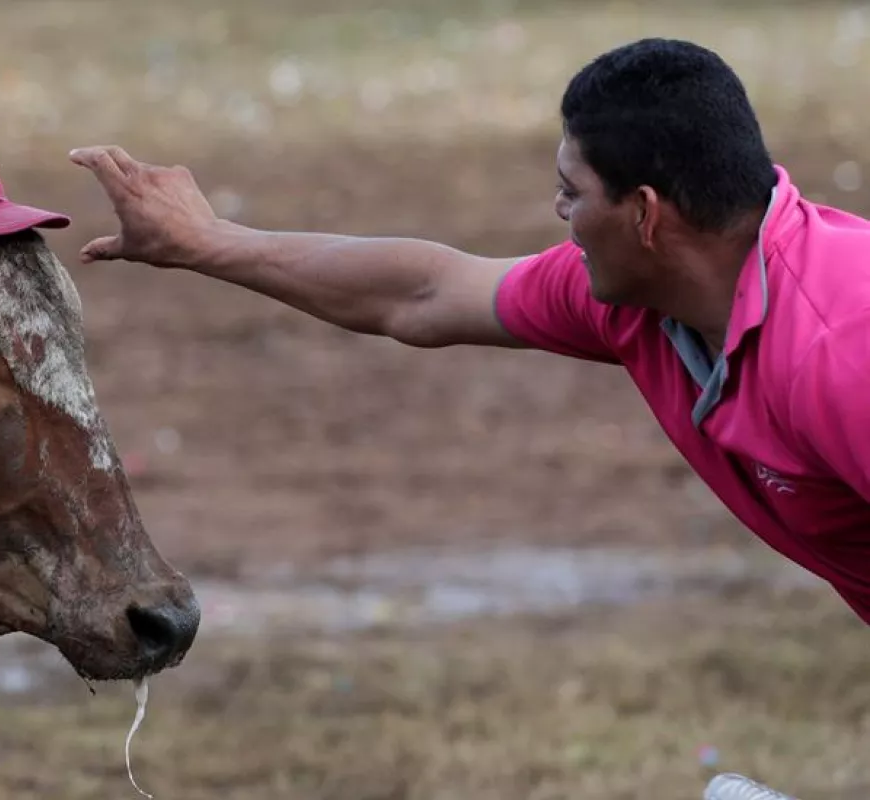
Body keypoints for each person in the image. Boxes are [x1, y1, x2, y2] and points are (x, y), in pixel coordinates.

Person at [67, 37, 870, 626]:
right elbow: (426, 292)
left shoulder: (839, 348)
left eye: (571, 190)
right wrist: (209, 243)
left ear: (646, 214)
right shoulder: (635, 298)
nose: (559, 212)